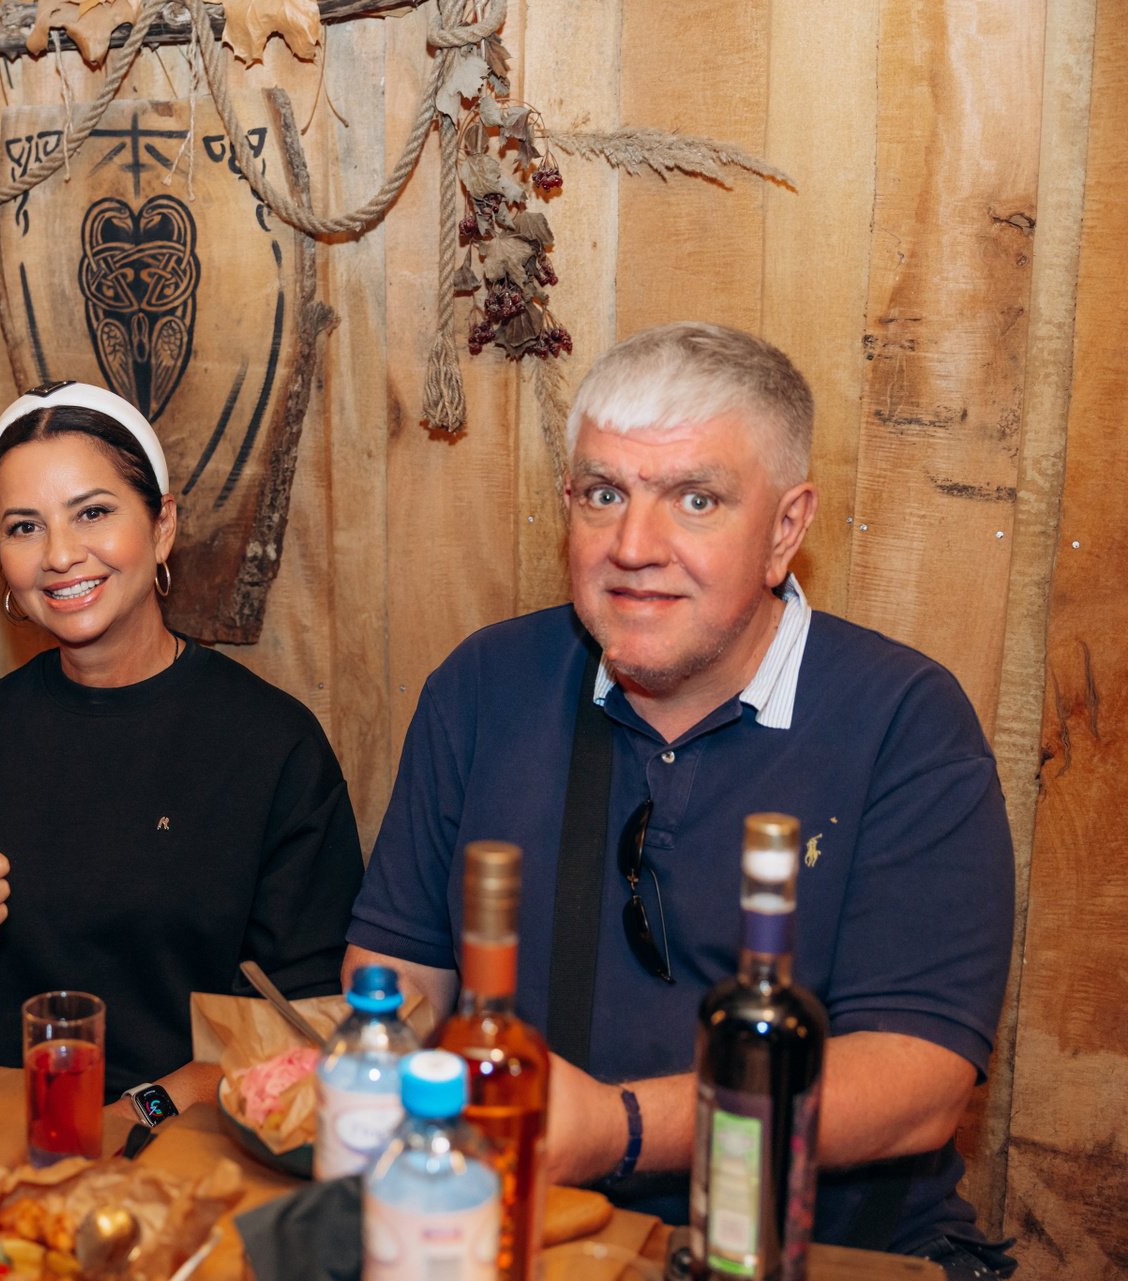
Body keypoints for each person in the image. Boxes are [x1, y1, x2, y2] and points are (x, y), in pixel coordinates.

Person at [344, 324, 1015, 1276]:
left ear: (785, 529)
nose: (633, 546)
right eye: (604, 493)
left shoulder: (904, 721)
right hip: (534, 1228)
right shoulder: (485, 684)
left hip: (830, 1247)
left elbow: (919, 1081)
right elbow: (398, 980)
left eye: (695, 500)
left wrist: (619, 1127)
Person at [0, 381, 364, 1127]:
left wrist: (140, 1114)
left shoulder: (272, 747)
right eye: (24, 527)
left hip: (180, 1140)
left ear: (162, 527)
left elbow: (304, 1014)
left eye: (93, 513)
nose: (61, 555)